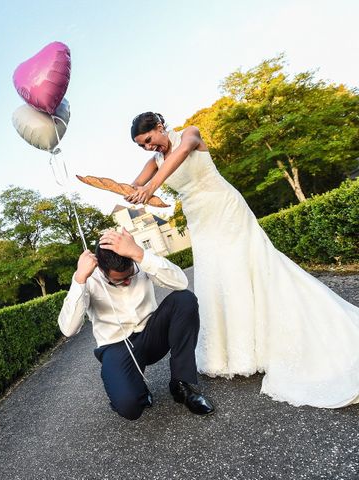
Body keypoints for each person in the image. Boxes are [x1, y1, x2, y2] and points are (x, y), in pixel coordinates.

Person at [126, 111, 359, 408]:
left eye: (149, 140)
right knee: (215, 277)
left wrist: (151, 187)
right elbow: (134, 187)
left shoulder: (189, 134)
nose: (148, 148)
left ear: (160, 128)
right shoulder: (154, 162)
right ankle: (235, 351)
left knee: (244, 267)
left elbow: (182, 153)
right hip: (200, 220)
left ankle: (267, 343)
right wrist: (128, 192)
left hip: (225, 208)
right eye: (142, 146)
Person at [58, 227, 215, 420]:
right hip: (116, 347)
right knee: (130, 408)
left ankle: (181, 385)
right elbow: (68, 329)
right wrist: (79, 279)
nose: (126, 282)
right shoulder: (89, 278)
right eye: (118, 280)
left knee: (184, 300)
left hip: (151, 335)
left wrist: (138, 253)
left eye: (129, 276)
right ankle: (135, 388)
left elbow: (181, 283)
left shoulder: (138, 259)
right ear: (101, 269)